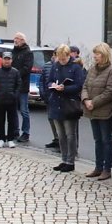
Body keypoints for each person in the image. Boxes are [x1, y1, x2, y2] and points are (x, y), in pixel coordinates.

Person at [82, 42, 112, 180]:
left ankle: (107, 169)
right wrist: (86, 99)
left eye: (97, 54)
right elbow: (85, 85)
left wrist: (94, 102)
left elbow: (110, 92)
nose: (95, 56)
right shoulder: (92, 69)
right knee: (97, 140)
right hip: (92, 109)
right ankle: (98, 167)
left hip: (105, 111)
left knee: (105, 139)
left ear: (104, 55)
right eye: (94, 54)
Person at [44, 44, 85, 172]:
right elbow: (49, 81)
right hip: (56, 102)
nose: (61, 62)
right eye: (59, 59)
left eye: (64, 59)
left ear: (69, 56)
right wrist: (53, 85)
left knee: (70, 134)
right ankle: (63, 159)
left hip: (69, 104)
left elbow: (79, 85)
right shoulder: (56, 66)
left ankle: (70, 161)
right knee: (60, 135)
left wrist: (65, 88)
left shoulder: (76, 68)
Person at [0, 51, 21, 148]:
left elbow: (19, 85)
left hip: (12, 101)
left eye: (9, 59)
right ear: (2, 60)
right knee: (0, 120)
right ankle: (2, 138)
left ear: (11, 60)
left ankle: (10, 139)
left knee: (11, 121)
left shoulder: (15, 72)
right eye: (5, 59)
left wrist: (15, 95)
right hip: (0, 100)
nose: (7, 61)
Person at [11, 32, 33, 143]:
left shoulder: (28, 53)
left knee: (24, 110)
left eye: (17, 39)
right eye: (15, 38)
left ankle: (26, 133)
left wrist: (15, 75)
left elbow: (27, 68)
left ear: (23, 40)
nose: (15, 40)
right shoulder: (13, 51)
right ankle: (15, 131)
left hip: (23, 86)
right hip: (12, 86)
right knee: (13, 110)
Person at [39, 51, 60, 150]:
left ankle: (60, 140)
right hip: (48, 97)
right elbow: (42, 80)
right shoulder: (47, 66)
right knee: (51, 119)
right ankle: (56, 138)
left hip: (58, 98)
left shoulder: (61, 66)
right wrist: (43, 94)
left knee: (58, 120)